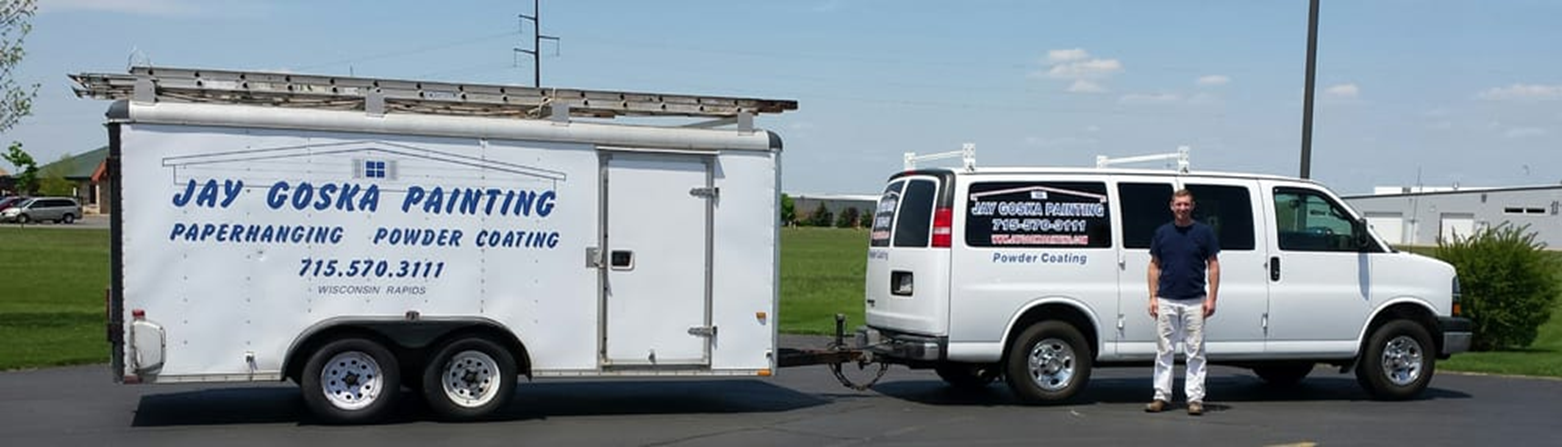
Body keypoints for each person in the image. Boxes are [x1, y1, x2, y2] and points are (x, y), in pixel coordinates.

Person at [1144, 188, 1221, 416]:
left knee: (1195, 351)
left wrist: (1212, 298)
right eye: (1179, 204)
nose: (1182, 208)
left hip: (1195, 301)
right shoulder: (1162, 233)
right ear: (1172, 206)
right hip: (1166, 299)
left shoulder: (1204, 233)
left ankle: (1195, 398)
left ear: (1192, 206)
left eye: (1186, 204)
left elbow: (1213, 266)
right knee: (1164, 350)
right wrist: (1152, 297)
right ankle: (1161, 396)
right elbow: (1154, 266)